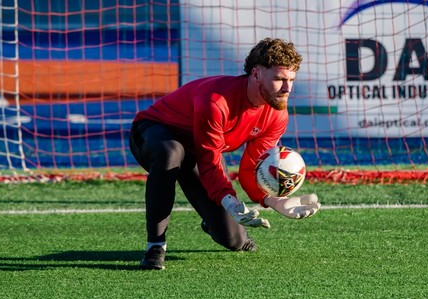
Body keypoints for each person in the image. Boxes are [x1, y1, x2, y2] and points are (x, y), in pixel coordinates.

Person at [129, 37, 321, 270]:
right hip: (153, 134)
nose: (288, 88)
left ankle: (212, 223)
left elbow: (252, 168)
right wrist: (229, 200)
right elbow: (210, 161)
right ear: (257, 74)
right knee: (171, 153)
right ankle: (155, 246)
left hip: (197, 153)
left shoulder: (277, 115)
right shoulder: (216, 101)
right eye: (280, 79)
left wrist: (272, 199)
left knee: (234, 240)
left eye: (291, 79)